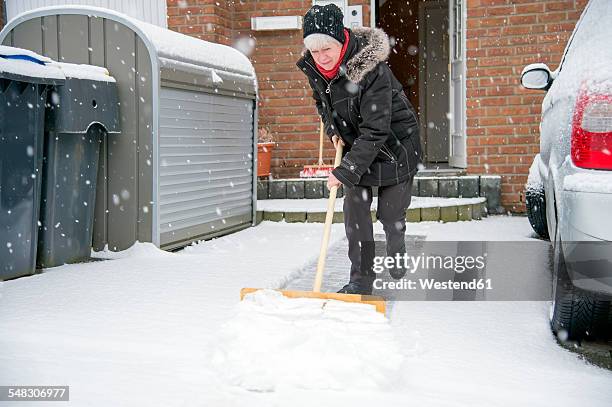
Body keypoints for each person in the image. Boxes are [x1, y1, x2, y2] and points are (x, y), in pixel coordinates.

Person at [296, 4, 423, 295]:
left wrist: (345, 171)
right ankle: (362, 280)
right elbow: (323, 103)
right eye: (314, 52)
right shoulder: (316, 68)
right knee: (355, 217)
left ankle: (397, 245)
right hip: (358, 148)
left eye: (327, 48)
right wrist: (332, 130)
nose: (322, 57)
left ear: (341, 39)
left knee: (390, 216)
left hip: (396, 148)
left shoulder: (371, 70)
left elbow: (377, 129)